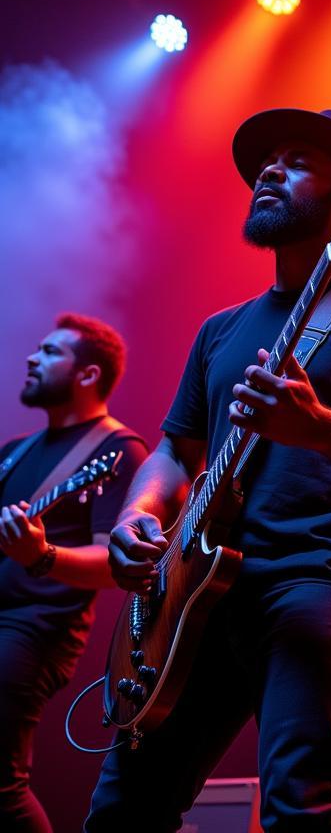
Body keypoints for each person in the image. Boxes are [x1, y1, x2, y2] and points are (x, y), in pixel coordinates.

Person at [86, 108, 331, 832]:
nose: (268, 170)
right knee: (123, 809)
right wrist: (141, 516)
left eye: (296, 161)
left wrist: (316, 427)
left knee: (304, 808)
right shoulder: (221, 330)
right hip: (189, 595)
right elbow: (173, 451)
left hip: (312, 582)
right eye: (267, 162)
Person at [0, 314, 147, 832]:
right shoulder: (15, 451)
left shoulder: (117, 451)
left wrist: (43, 556)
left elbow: (114, 561)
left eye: (48, 352)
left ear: (86, 374)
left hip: (33, 629)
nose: (30, 358)